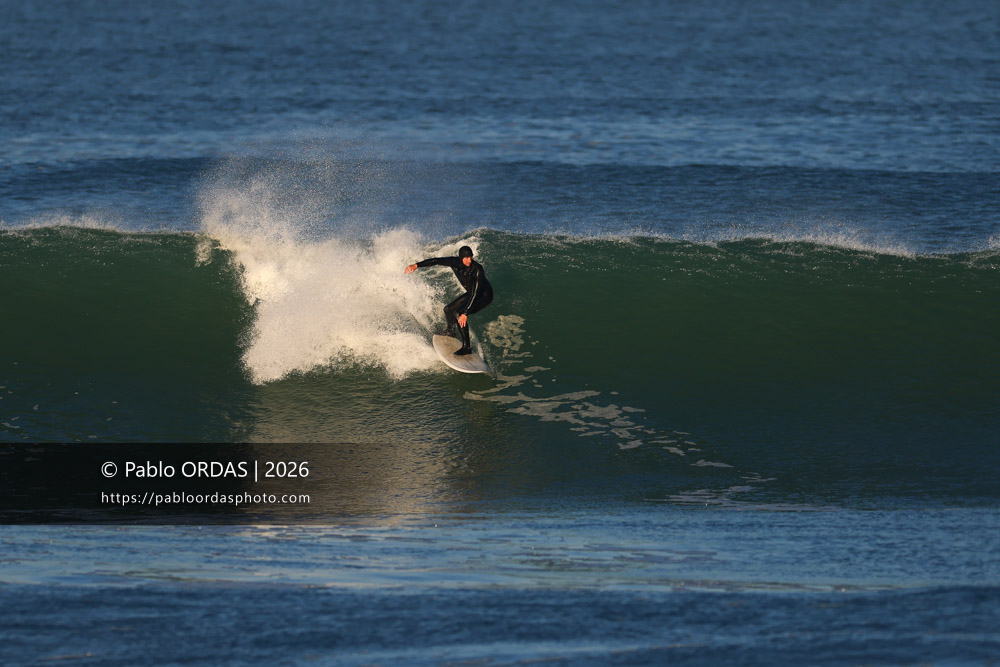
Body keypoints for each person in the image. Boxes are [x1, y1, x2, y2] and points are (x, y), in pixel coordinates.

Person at [405, 245, 493, 355]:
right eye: (466, 258)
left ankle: (467, 347)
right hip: (472, 293)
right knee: (448, 309)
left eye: (470, 257)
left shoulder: (477, 269)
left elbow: (476, 293)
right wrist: (417, 265)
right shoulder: (454, 262)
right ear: (461, 258)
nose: (469, 260)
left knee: (459, 313)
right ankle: (451, 332)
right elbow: (436, 261)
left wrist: (465, 313)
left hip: (484, 296)